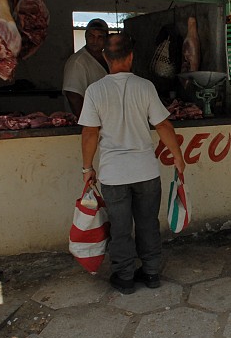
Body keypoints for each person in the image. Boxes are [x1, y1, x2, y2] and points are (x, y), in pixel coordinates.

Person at [79, 32, 186, 294]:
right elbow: (162, 124)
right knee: (148, 223)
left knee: (120, 227)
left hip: (114, 175)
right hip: (146, 172)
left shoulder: (95, 91)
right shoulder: (145, 86)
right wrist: (178, 157)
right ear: (131, 56)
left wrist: (87, 168)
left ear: (105, 57)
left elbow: (90, 133)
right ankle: (150, 273)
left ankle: (125, 277)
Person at [63, 18, 110, 118]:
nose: (95, 41)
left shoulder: (108, 59)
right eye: (91, 36)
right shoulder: (77, 61)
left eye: (100, 37)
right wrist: (86, 122)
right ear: (86, 36)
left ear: (106, 39)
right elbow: (73, 96)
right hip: (87, 123)